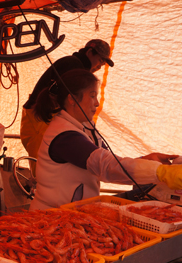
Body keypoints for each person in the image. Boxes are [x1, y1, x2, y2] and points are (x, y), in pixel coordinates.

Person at [29, 69, 182, 210]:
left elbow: (109, 164)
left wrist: (147, 161)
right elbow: (105, 166)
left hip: (73, 214)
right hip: (51, 217)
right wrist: (158, 172)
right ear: (73, 99)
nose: (97, 103)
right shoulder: (65, 137)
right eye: (92, 95)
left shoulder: (84, 126)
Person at [20, 39, 114, 174]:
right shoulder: (73, 65)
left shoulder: (74, 65)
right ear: (89, 52)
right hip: (40, 117)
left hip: (43, 117)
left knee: (46, 166)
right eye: (100, 60)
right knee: (43, 167)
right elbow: (65, 99)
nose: (100, 66)